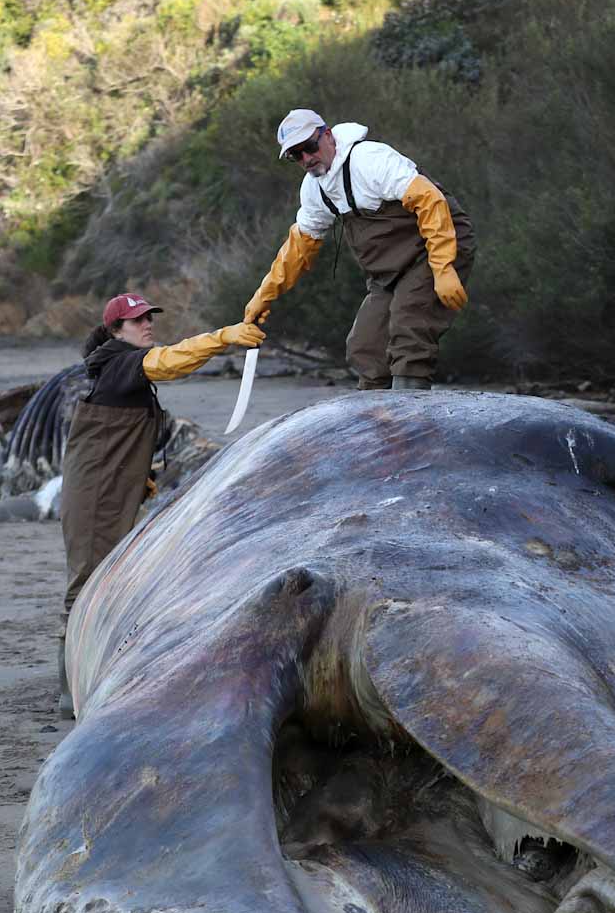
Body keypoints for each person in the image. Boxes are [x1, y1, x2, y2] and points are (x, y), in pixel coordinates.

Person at [59, 294, 264, 706]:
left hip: (115, 488)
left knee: (112, 579)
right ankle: (70, 690)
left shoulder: (122, 368)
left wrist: (141, 479)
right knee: (88, 582)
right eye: (137, 320)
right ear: (117, 329)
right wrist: (225, 337)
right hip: (96, 494)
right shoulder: (119, 364)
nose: (147, 324)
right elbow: (173, 362)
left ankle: (98, 674)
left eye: (150, 317)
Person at [242, 109, 475, 391]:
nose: (306, 159)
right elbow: (298, 249)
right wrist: (263, 296)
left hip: (437, 246)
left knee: (410, 330)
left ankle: (411, 419)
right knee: (365, 347)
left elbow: (430, 201)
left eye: (309, 147)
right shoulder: (314, 190)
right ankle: (378, 423)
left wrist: (443, 267)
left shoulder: (370, 160)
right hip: (389, 272)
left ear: (327, 135)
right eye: (295, 155)